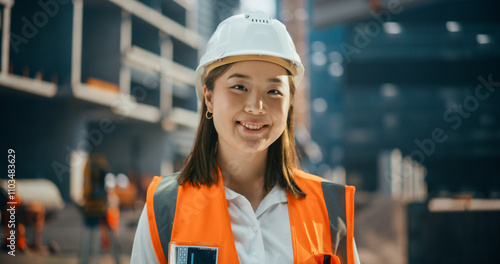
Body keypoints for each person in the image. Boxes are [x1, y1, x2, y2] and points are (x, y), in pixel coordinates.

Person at [132, 11, 360, 264]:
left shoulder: (329, 208)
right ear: (209, 97)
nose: (256, 106)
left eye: (274, 91)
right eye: (239, 87)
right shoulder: (166, 206)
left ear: (289, 105)